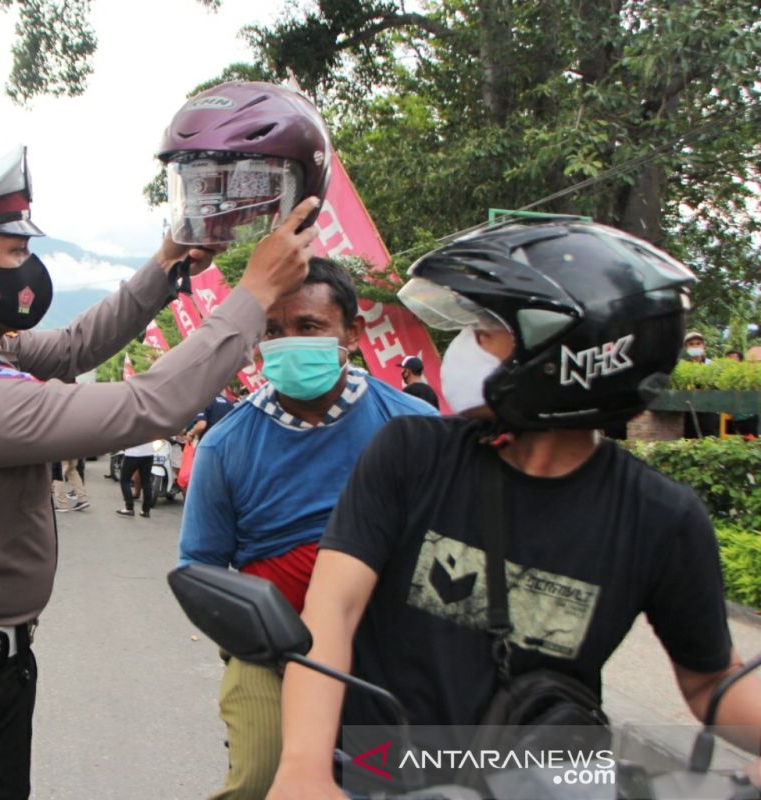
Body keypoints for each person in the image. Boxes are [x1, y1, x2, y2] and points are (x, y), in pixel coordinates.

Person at [0, 84, 327, 800]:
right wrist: (253, 296)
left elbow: (79, 343)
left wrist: (171, 262)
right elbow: (149, 404)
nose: (27, 267)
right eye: (13, 249)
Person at [268, 219, 761, 799]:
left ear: (575, 357)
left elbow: (713, 678)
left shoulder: (660, 516)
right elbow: (332, 611)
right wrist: (303, 768)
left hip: (547, 782)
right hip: (384, 771)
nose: (462, 350)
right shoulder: (411, 453)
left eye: (485, 331)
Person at [178, 256, 436, 800]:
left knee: (393, 782)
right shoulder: (225, 446)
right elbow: (199, 568)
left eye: (310, 327)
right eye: (273, 330)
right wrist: (263, 636)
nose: (290, 341)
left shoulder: (416, 431)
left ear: (353, 333)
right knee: (262, 777)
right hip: (274, 656)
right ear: (255, 344)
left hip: (393, 650)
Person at [118, 439, 156, 518]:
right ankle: (146, 510)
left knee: (124, 480)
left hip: (133, 453)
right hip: (149, 452)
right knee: (146, 481)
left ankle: (129, 507)